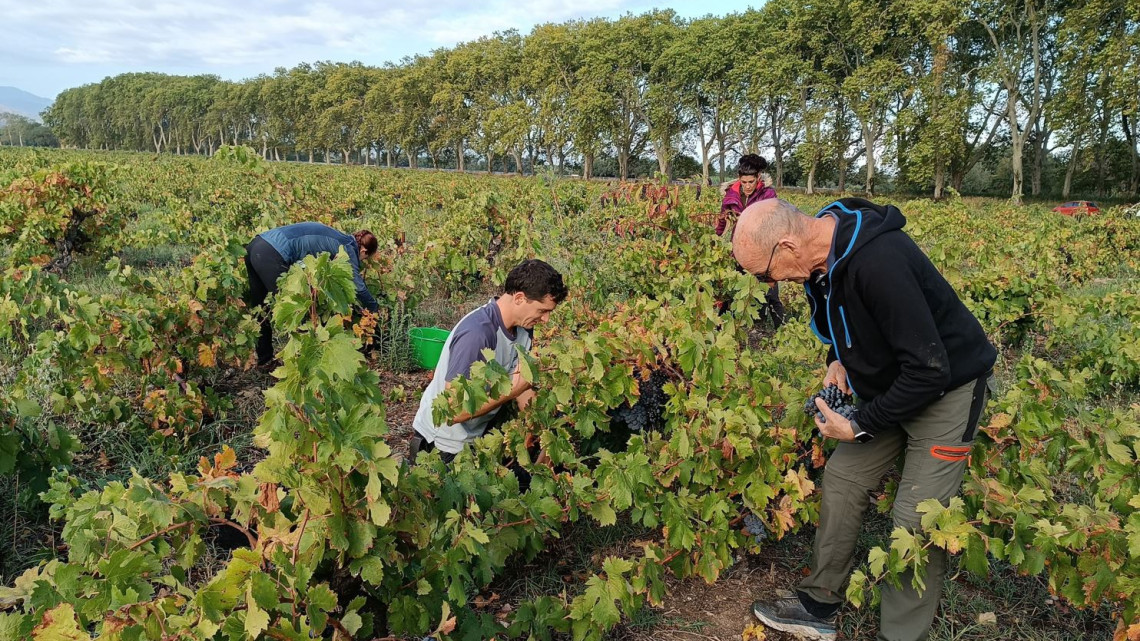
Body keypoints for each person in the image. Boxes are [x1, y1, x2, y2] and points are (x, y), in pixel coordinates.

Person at [732, 198, 997, 641]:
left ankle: (900, 635)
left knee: (915, 523)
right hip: (894, 384)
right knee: (842, 479)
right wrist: (838, 359)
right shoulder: (821, 263)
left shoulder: (879, 263)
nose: (768, 283)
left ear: (787, 245)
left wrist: (857, 425)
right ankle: (818, 605)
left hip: (946, 389)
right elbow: (846, 321)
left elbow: (930, 370)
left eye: (764, 274)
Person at [409, 259, 568, 463]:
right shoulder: (477, 334)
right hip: (441, 445)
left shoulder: (524, 328)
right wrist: (511, 389)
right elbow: (453, 410)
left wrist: (545, 431)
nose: (546, 320)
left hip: (475, 437)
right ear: (519, 298)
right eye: (542, 311)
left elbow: (522, 385)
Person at [245, 222, 381, 368]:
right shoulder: (348, 248)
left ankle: (265, 361)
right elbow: (359, 288)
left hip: (257, 244)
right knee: (298, 310)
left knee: (261, 307)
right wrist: (374, 308)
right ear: (364, 251)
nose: (362, 261)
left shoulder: (339, 238)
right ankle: (306, 365)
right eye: (365, 259)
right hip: (273, 252)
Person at [717, 154, 785, 327]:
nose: (747, 186)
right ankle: (721, 323)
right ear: (739, 179)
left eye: (751, 182)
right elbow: (722, 219)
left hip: (762, 250)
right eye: (744, 182)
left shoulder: (768, 194)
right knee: (732, 286)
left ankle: (782, 328)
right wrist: (714, 238)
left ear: (758, 178)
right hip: (738, 249)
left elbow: (773, 221)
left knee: (770, 291)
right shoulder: (730, 195)